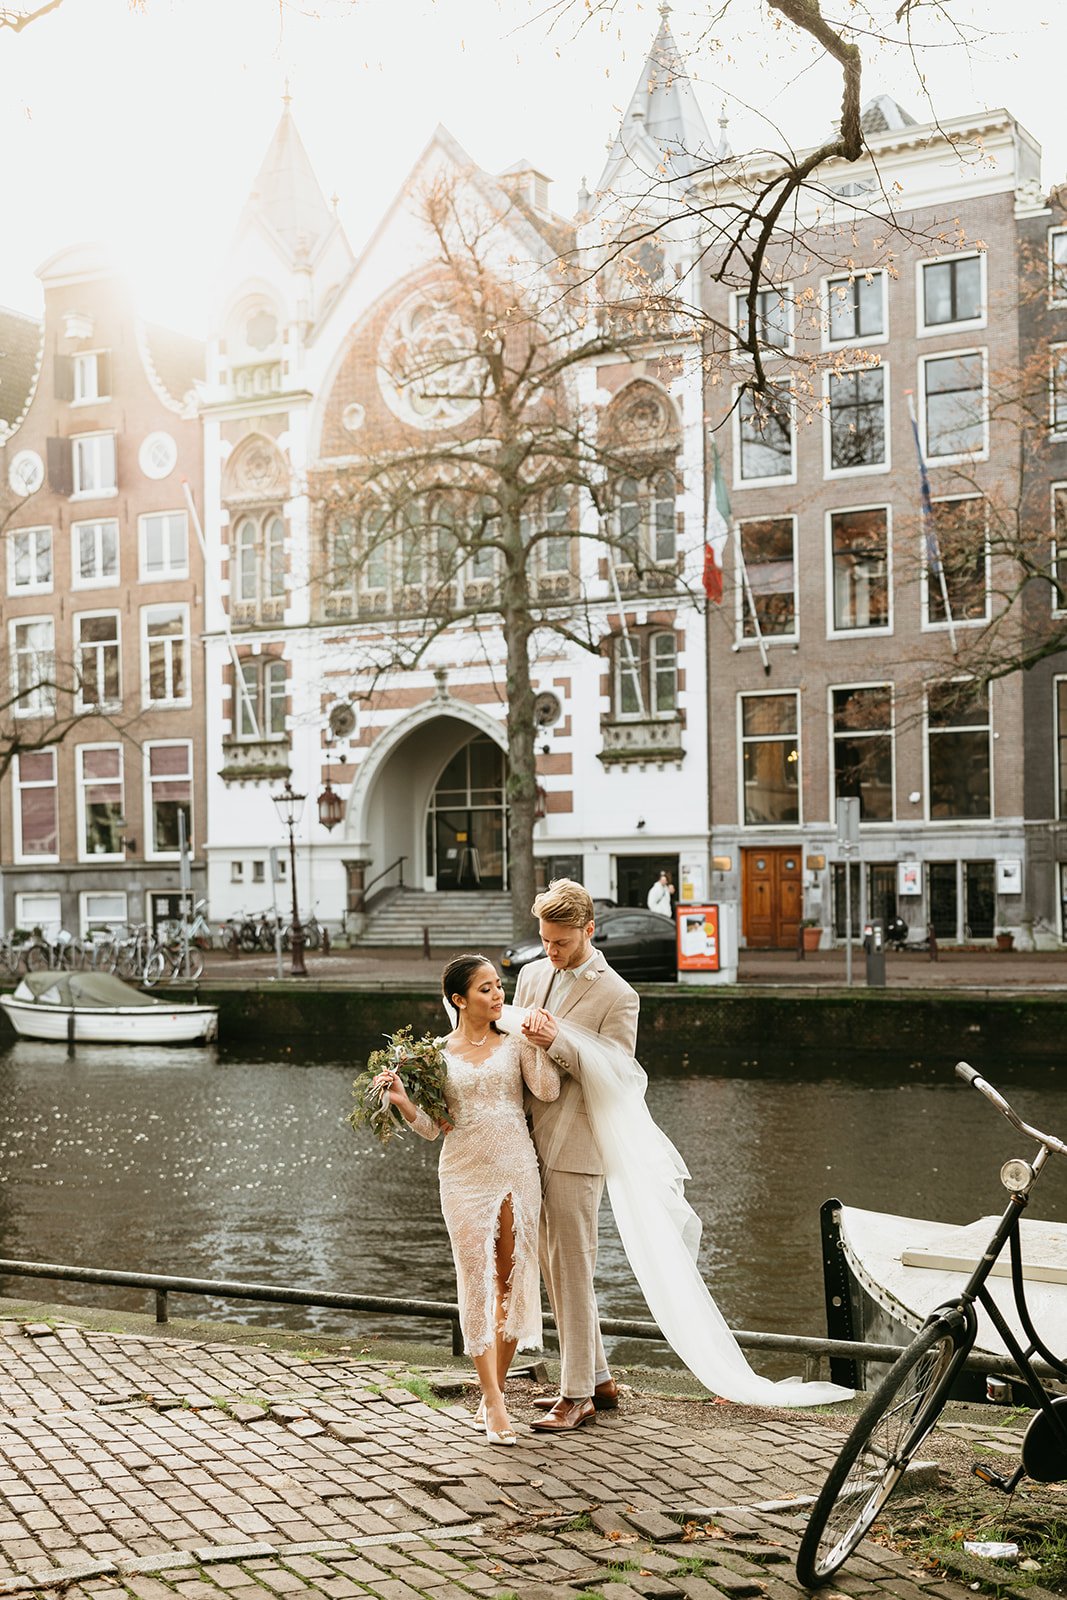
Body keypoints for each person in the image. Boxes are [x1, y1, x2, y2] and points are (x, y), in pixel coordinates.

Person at [373, 954, 560, 1446]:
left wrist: (543, 1043)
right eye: (486, 989)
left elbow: (547, 1088)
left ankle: (490, 1393)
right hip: (462, 1174)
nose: (498, 995)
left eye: (499, 986)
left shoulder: (515, 1042)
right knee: (474, 1281)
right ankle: (494, 1400)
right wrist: (401, 1100)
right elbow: (435, 1130)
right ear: (458, 999)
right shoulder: (434, 1055)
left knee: (513, 1278)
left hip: (516, 1168)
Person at [515, 878, 639, 1432]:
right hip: (528, 1138)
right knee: (550, 1264)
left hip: (578, 1146)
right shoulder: (530, 974)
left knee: (573, 1267)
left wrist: (556, 1043)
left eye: (561, 942)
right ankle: (600, 1379)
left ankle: (576, 1394)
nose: (551, 952)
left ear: (589, 930)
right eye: (544, 940)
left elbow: (620, 1077)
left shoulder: (618, 994)